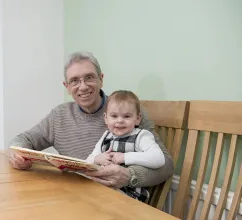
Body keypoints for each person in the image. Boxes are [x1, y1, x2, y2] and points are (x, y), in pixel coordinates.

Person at [9, 51, 174, 191]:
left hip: (116, 198)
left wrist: (129, 175)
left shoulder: (129, 114)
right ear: (66, 86)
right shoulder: (59, 115)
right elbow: (25, 139)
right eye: (74, 81)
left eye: (89, 77)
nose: (83, 87)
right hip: (74, 194)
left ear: (101, 79)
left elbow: (166, 165)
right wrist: (18, 155)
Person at [85, 90, 165, 202]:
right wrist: (97, 158)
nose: (120, 121)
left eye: (126, 116)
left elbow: (159, 158)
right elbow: (88, 160)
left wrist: (125, 157)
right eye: (114, 116)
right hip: (104, 187)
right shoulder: (106, 135)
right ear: (106, 118)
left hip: (129, 194)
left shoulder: (141, 136)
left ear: (138, 118)